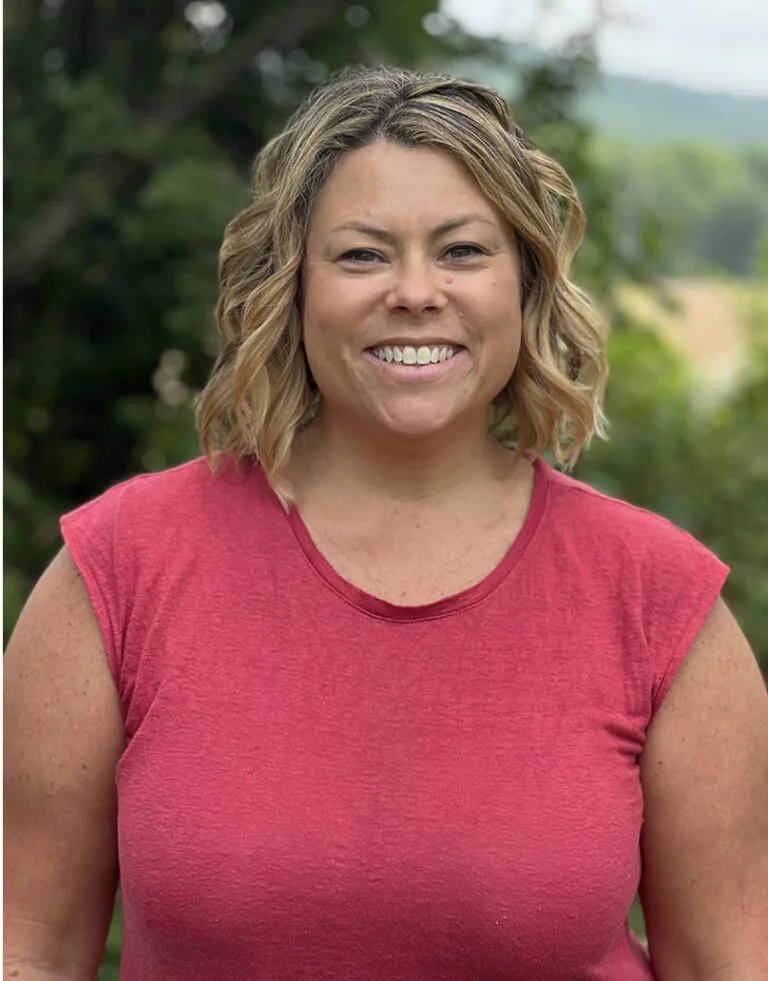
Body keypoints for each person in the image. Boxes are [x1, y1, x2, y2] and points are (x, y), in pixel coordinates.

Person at [4, 64, 767, 981]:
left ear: (525, 285)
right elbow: (28, 949)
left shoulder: (659, 599)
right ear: (292, 286)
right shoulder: (120, 569)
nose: (415, 291)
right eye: (363, 254)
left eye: (463, 251)